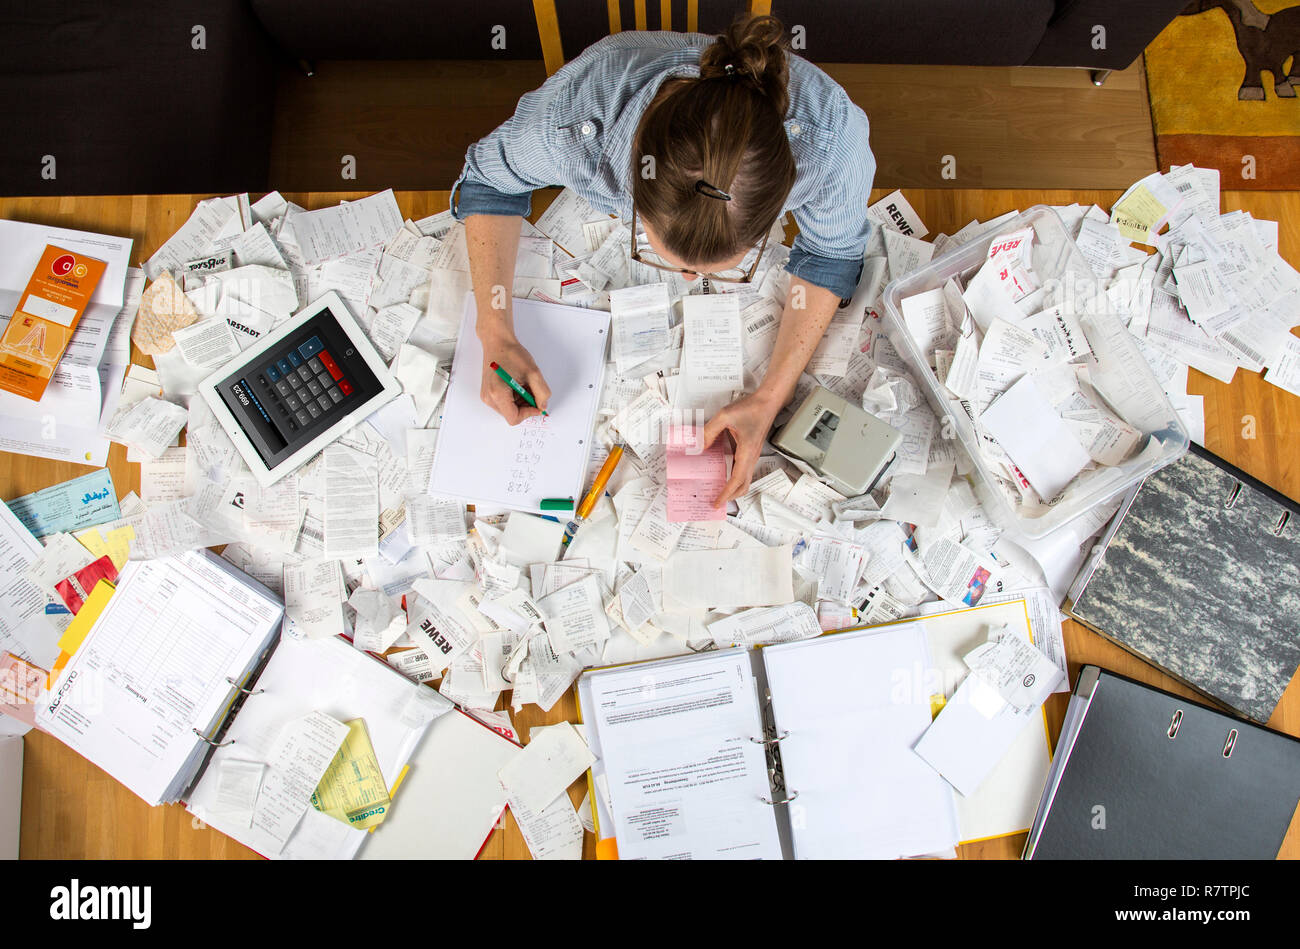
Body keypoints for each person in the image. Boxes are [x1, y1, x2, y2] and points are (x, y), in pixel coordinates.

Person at [450, 13, 875, 505]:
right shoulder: (576, 115)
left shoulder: (832, 143)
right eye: (664, 254)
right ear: (633, 174)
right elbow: (489, 181)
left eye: (718, 270)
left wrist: (769, 397)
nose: (691, 281)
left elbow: (830, 255)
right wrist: (495, 331)